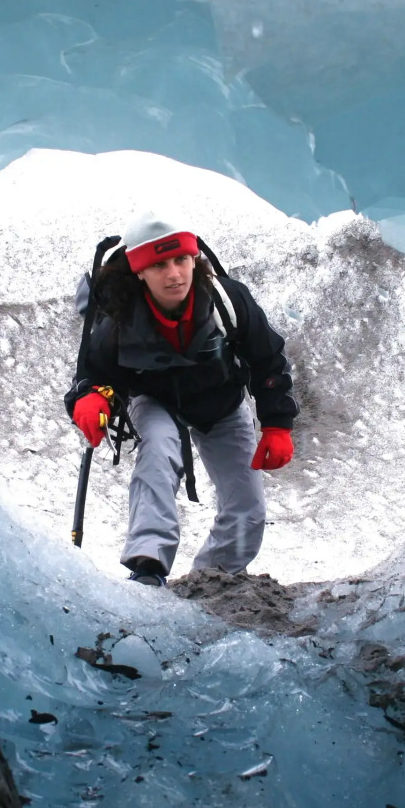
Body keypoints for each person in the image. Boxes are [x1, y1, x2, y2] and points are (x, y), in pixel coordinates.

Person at [65, 212, 298, 587]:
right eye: (158, 265)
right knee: (158, 450)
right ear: (139, 271)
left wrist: (277, 424)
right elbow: (95, 373)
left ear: (194, 259)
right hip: (156, 402)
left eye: (181, 260)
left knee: (248, 506)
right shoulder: (119, 319)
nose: (174, 273)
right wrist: (92, 400)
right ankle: (148, 567)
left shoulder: (228, 300)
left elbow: (267, 359)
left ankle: (213, 579)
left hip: (222, 403)